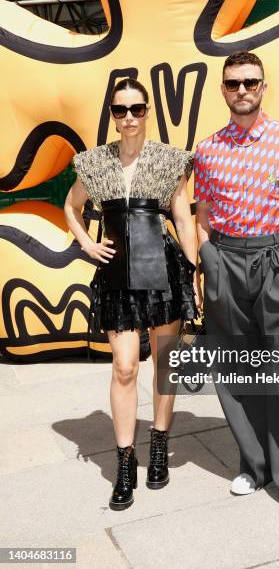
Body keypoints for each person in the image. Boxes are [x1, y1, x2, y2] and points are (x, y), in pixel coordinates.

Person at [194, 51, 279, 516]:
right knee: (236, 367)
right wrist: (206, 255)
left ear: (263, 86)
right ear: (223, 89)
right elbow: (203, 212)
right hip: (224, 259)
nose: (242, 90)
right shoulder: (207, 150)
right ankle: (255, 464)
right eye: (233, 83)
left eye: (251, 81)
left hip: (275, 257)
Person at [64, 77, 202, 511]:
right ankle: (126, 459)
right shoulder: (94, 163)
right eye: (120, 110)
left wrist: (194, 274)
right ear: (112, 115)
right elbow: (71, 206)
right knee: (124, 367)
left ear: (147, 111)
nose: (128, 118)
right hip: (117, 274)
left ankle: (159, 441)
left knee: (164, 363)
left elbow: (183, 219)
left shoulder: (168, 159)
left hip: (163, 270)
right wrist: (87, 243)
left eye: (136, 109)